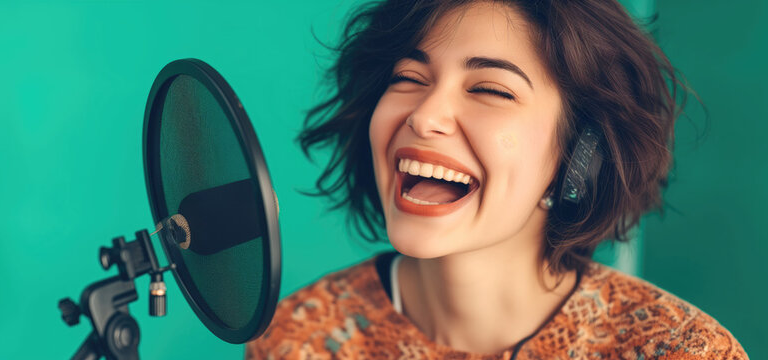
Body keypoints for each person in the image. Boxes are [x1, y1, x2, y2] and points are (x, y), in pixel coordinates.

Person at [246, 0, 748, 358]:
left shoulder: (679, 350)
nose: (424, 116)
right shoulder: (298, 339)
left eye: (490, 89)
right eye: (408, 78)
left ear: (580, 153)